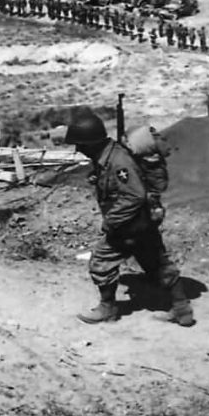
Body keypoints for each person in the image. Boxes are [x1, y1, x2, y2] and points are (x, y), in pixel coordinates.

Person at [64, 112, 193, 326]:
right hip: (143, 222)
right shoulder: (107, 157)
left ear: (91, 142)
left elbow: (134, 195)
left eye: (80, 144)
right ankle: (182, 310)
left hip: (129, 225)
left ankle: (107, 308)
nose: (78, 148)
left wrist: (111, 221)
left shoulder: (118, 161)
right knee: (157, 264)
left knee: (101, 262)